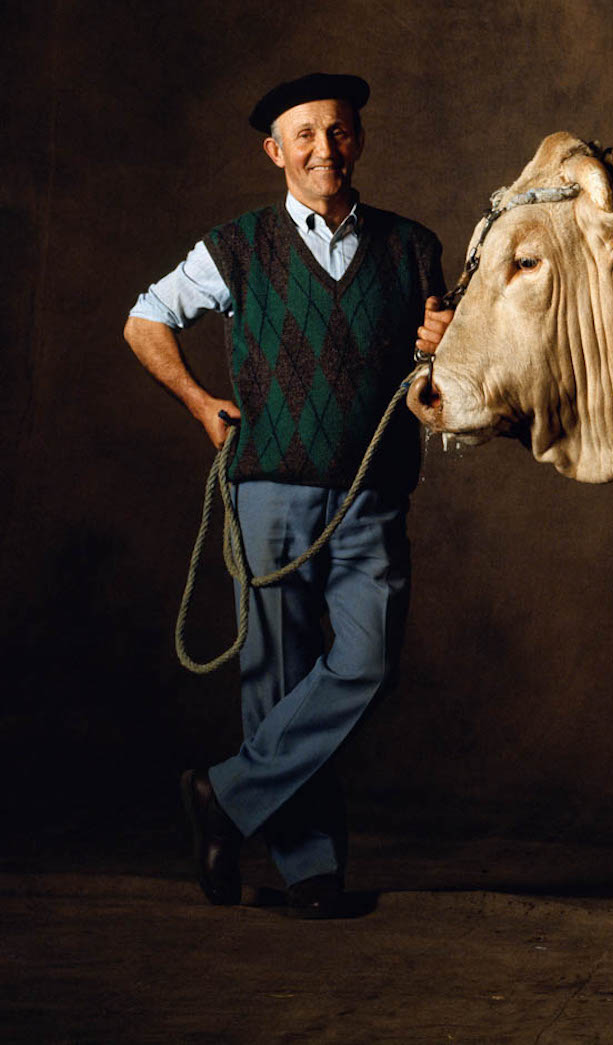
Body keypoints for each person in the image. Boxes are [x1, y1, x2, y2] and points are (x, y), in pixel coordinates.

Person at [125, 72, 454, 919]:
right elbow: (145, 319)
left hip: (372, 495)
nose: (324, 149)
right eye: (304, 135)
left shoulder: (415, 248)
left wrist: (449, 349)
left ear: (360, 141)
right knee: (275, 680)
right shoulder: (238, 245)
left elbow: (437, 396)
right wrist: (201, 404)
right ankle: (311, 872)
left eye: (338, 131)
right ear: (275, 152)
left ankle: (224, 797)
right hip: (268, 492)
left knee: (365, 661)